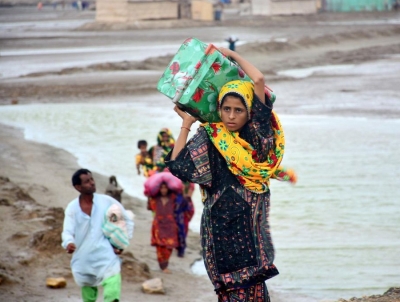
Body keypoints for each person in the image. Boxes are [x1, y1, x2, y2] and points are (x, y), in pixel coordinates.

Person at [165, 47, 296, 301]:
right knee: (228, 291)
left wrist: (230, 55)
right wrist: (186, 125)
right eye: (226, 109)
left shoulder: (258, 136)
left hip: (249, 227)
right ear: (219, 109)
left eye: (238, 110)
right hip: (218, 227)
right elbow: (177, 166)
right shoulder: (211, 136)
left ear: (250, 112)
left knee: (255, 287)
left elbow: (257, 80)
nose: (232, 116)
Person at [62, 169, 134, 302]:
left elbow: (127, 220)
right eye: (87, 181)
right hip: (83, 259)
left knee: (113, 290)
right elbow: (67, 231)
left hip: (106, 257)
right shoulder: (72, 208)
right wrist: (69, 243)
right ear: (78, 187)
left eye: (92, 179)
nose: (92, 183)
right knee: (88, 297)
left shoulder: (106, 201)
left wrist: (122, 242)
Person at [147, 182, 187, 273]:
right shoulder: (155, 199)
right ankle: (163, 266)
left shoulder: (173, 197)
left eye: (165, 188)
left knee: (169, 246)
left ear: (168, 189)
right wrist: (149, 195)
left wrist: (182, 191)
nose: (163, 190)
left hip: (170, 225)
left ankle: (165, 264)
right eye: (161, 188)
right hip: (158, 225)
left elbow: (183, 204)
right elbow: (149, 207)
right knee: (160, 246)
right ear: (159, 189)